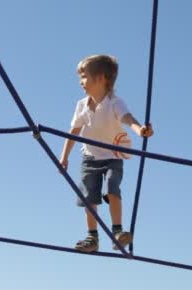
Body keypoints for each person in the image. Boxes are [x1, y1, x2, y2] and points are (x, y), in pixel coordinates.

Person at [59, 55, 154, 253]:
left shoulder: (114, 102)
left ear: (101, 78)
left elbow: (128, 119)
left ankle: (117, 232)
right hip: (90, 157)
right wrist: (64, 156)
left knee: (112, 187)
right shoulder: (81, 105)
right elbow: (74, 132)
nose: (80, 81)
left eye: (84, 76)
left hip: (112, 155)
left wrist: (140, 130)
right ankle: (92, 237)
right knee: (89, 196)